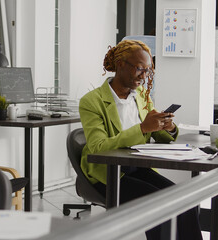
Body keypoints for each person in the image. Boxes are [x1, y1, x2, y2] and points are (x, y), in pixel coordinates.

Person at [79, 39, 202, 240]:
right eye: (139, 69)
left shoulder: (141, 96)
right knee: (158, 205)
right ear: (120, 64)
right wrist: (143, 127)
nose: (144, 76)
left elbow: (157, 134)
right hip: (109, 174)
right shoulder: (92, 101)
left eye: (148, 71)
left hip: (137, 167)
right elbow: (98, 147)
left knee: (182, 199)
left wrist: (167, 127)